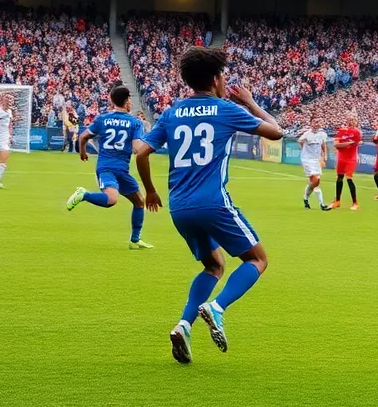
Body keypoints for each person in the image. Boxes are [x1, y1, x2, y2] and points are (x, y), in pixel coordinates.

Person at [133, 48, 283, 364]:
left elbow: (142, 152)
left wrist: (150, 191)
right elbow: (277, 132)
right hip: (213, 203)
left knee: (214, 265)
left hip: (179, 207)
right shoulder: (225, 109)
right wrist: (251, 103)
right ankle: (216, 307)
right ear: (216, 79)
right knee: (257, 260)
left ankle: (183, 325)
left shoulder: (172, 112)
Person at [65, 84, 157, 249]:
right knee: (112, 199)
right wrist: (151, 146)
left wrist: (83, 153)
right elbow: (138, 149)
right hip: (109, 169)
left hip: (116, 170)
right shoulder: (135, 123)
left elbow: (84, 136)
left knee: (139, 201)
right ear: (128, 101)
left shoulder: (103, 119)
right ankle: (84, 194)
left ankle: (135, 241)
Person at [328, 114, 362, 210]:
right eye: (349, 120)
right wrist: (348, 143)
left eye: (353, 120)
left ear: (356, 122)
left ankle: (355, 202)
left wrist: (345, 144)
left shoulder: (356, 132)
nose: (351, 122)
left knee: (349, 179)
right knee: (339, 178)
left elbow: (356, 143)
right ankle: (337, 201)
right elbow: (336, 145)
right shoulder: (341, 131)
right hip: (341, 158)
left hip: (350, 158)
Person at [297, 118, 328, 210]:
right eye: (315, 122)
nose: (316, 124)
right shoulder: (307, 134)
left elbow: (323, 145)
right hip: (307, 160)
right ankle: (322, 204)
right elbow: (300, 141)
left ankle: (305, 198)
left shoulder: (322, 134)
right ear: (311, 124)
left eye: (318, 122)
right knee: (316, 180)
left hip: (316, 160)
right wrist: (304, 150)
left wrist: (324, 156)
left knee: (315, 182)